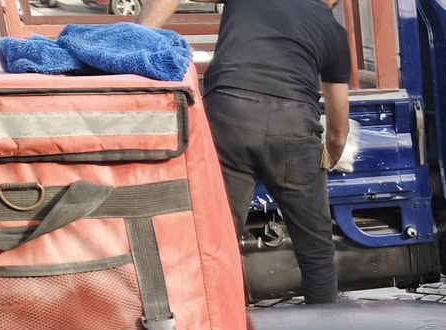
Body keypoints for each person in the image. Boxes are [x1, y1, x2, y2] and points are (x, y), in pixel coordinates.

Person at [141, 0, 350, 304]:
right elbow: (338, 131)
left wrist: (138, 35)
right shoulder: (332, 30)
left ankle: (224, 326)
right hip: (293, 126)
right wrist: (329, 159)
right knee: (316, 251)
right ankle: (326, 327)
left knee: (219, 243)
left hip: (229, 114)